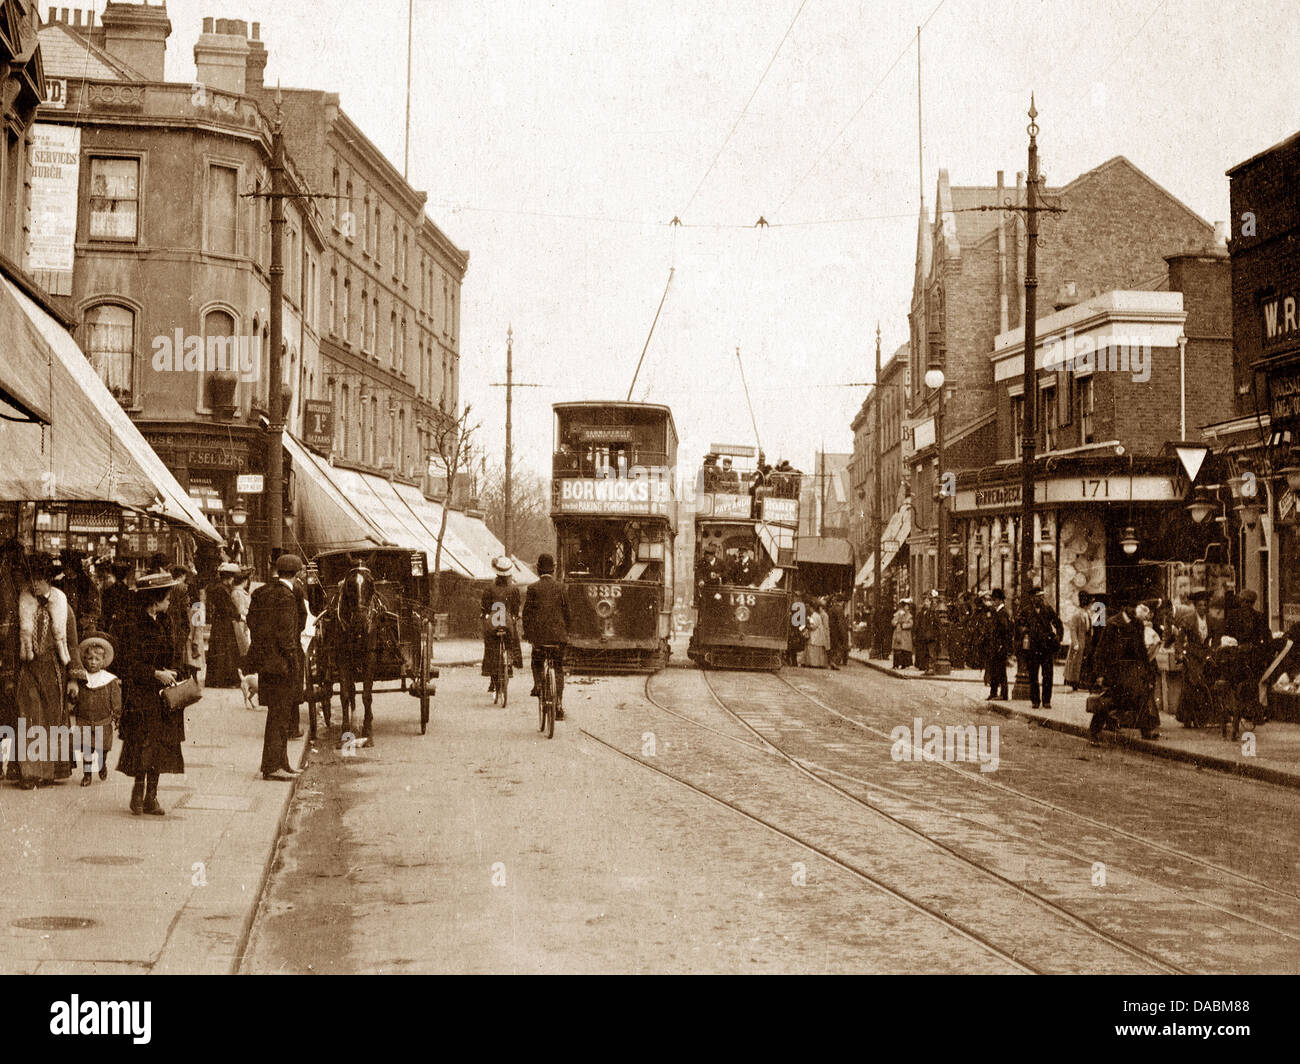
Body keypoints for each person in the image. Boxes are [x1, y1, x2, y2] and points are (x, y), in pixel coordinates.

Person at [116, 572, 185, 814]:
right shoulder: (132, 624)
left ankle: (152, 796)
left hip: (164, 695)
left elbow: (176, 652)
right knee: (142, 744)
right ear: (154, 599)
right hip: (141, 694)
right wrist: (155, 673)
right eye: (166, 597)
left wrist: (174, 671)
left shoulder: (166, 621)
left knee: (162, 745)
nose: (169, 602)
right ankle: (137, 793)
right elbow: (127, 663)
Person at [15, 552, 85, 789]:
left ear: (48, 580)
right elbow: (12, 641)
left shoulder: (63, 605)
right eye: (31, 579)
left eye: (39, 579)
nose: (34, 584)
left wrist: (74, 678)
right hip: (29, 669)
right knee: (30, 715)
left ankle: (49, 771)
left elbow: (73, 644)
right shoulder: (22, 604)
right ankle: (30, 773)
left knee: (52, 719)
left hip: (55, 671)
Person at [246, 554, 306, 780]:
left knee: (278, 716)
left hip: (266, 665)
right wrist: (293, 660)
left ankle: (283, 762)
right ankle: (273, 767)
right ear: (297, 573)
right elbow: (286, 634)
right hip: (282, 666)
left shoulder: (263, 593)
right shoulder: (287, 597)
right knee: (279, 718)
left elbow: (252, 622)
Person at [1090, 596, 1160, 742]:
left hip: (1133, 669)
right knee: (1110, 701)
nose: (1137, 611)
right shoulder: (1113, 624)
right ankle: (1094, 731)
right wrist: (1100, 674)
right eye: (1135, 608)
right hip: (1116, 670)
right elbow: (1101, 650)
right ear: (1127, 608)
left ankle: (1146, 731)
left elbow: (1141, 650)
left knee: (1142, 695)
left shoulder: (1138, 625)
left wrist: (1147, 671)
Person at [523, 552, 571, 720]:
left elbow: (527, 614)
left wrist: (527, 634)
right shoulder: (561, 588)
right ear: (553, 569)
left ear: (538, 569)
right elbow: (567, 613)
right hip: (558, 637)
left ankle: (538, 685)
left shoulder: (532, 588)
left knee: (536, 661)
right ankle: (558, 704)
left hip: (539, 637)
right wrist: (567, 632)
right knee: (558, 668)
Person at [73, 632, 120, 786]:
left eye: (97, 659)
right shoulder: (81, 679)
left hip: (103, 721)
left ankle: (102, 764)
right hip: (85, 720)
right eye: (89, 659)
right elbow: (75, 698)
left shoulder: (109, 680)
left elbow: (116, 699)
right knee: (87, 749)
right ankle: (87, 775)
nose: (93, 662)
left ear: (103, 661)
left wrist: (117, 713)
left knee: (102, 749)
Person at [481, 556, 523, 695]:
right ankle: (510, 663)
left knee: (490, 646)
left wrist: (486, 614)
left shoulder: (489, 589)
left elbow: (485, 608)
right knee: (512, 642)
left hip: (493, 624)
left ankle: (491, 674)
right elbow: (516, 609)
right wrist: (514, 616)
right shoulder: (514, 589)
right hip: (507, 623)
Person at [1017, 585, 1064, 709]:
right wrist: (1025, 631)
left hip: (1046, 647)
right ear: (1032, 598)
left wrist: (1058, 639)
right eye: (1037, 597)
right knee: (1033, 676)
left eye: (1041, 596)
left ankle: (1046, 700)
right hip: (1032, 648)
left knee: (1047, 675)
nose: (1040, 599)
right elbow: (1019, 625)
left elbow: (1058, 624)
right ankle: (1035, 701)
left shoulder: (1048, 609)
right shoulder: (1026, 611)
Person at [203, 562, 242, 688]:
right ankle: (225, 680)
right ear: (229, 578)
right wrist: (238, 616)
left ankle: (215, 679)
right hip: (224, 623)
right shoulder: (222, 589)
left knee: (218, 649)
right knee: (226, 650)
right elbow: (227, 607)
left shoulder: (217, 588)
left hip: (219, 622)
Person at [984, 588, 1014, 700]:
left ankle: (1003, 694)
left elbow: (1005, 631)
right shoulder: (999, 612)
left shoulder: (1002, 613)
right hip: (997, 646)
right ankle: (995, 693)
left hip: (999, 647)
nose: (993, 602)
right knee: (995, 670)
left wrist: (1001, 645)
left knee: (1000, 671)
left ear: (1000, 600)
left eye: (994, 599)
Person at [1063, 591, 1091, 691]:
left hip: (1085, 641)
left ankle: (1081, 682)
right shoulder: (1077, 614)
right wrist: (1075, 643)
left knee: (1082, 663)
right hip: (1079, 641)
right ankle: (1074, 683)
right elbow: (1073, 629)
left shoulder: (1086, 613)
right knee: (1076, 664)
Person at [891, 599, 914, 669]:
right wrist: (896, 623)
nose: (906, 608)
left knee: (905, 650)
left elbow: (910, 624)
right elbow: (893, 621)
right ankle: (896, 664)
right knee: (897, 650)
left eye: (907, 606)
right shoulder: (898, 614)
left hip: (905, 635)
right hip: (898, 634)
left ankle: (905, 664)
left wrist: (903, 625)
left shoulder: (909, 615)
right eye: (905, 606)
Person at [828, 593, 849, 669]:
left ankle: (831, 661)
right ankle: (834, 662)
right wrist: (844, 634)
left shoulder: (831, 609)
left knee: (833, 647)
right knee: (840, 647)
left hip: (832, 631)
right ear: (842, 601)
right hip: (838, 632)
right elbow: (841, 623)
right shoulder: (840, 609)